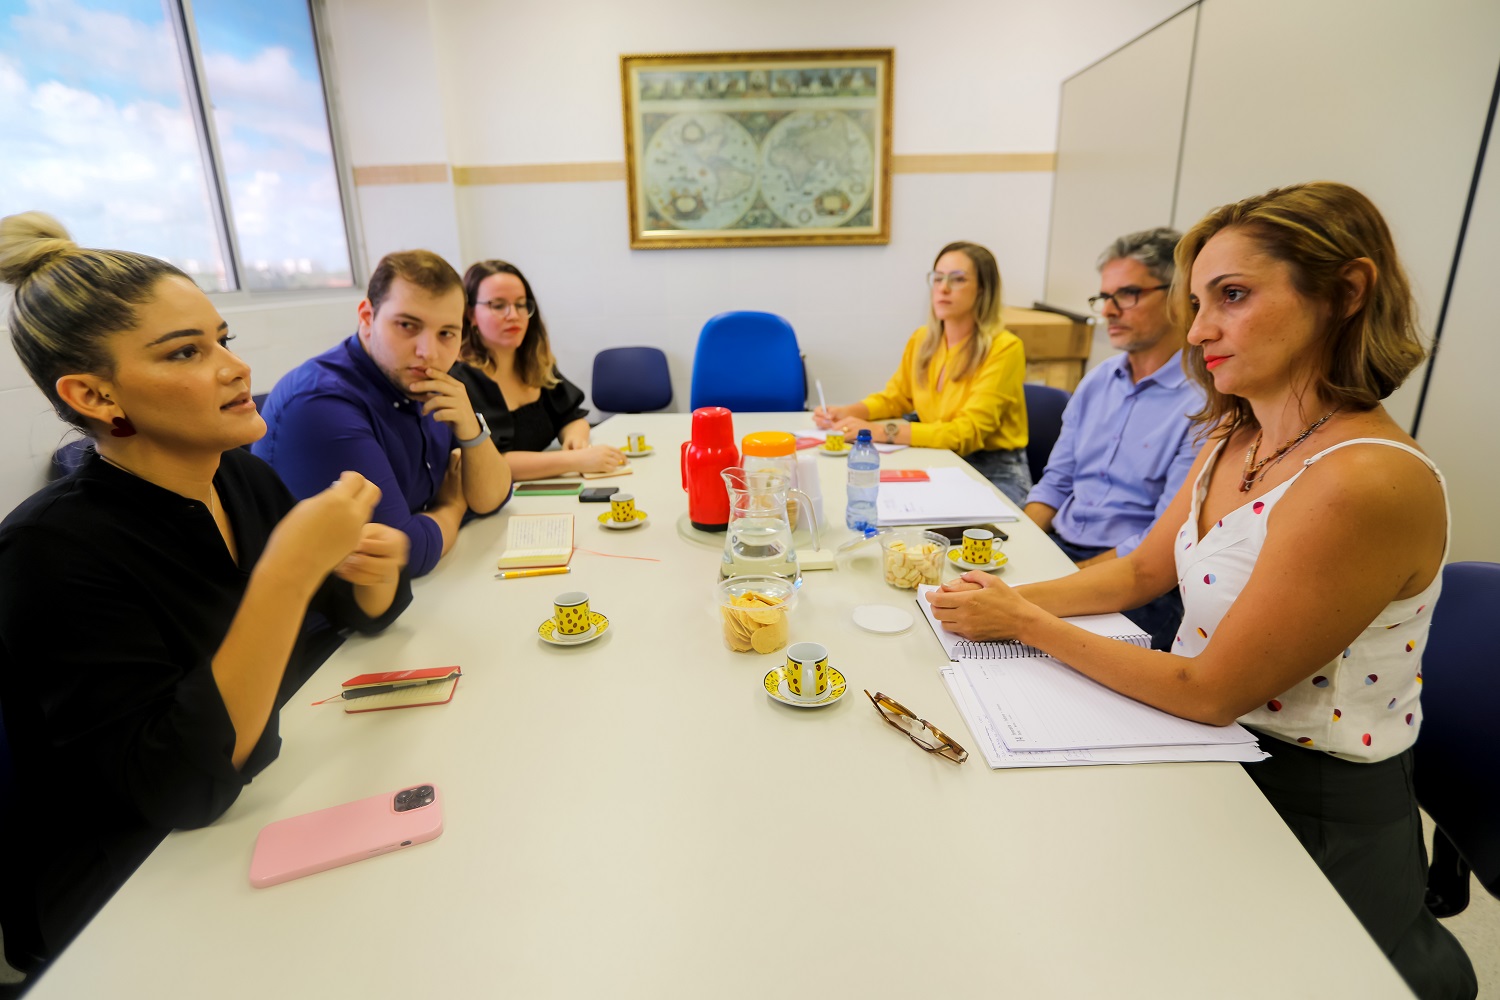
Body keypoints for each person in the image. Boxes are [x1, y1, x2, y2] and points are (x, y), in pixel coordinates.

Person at [927, 183, 1476, 999]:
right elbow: (1144, 572)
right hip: (1205, 748)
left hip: (1306, 802)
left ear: (1345, 294)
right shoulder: (1237, 432)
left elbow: (1214, 689)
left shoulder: (1365, 480)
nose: (1203, 328)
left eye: (1234, 296)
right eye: (1196, 301)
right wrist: (996, 597)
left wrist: (1025, 624)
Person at [0, 213, 413, 983]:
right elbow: (179, 786)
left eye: (222, 338)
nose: (233, 366)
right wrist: (286, 573)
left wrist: (375, 573)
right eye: (187, 352)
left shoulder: (239, 476)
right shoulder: (47, 551)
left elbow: (353, 612)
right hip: (133, 896)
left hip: (263, 808)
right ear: (93, 393)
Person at [254, 250, 512, 577]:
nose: (428, 352)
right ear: (366, 317)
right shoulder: (321, 403)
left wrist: (472, 432)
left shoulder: (429, 380)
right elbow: (403, 553)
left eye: (447, 333)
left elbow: (493, 496)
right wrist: (453, 505)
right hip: (324, 621)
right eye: (407, 325)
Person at [1024, 228, 1204, 649]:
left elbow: (1157, 545)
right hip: (1058, 549)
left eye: (1127, 295)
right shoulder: (1098, 380)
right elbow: (1055, 482)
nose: (1108, 310)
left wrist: (1062, 581)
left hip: (1135, 578)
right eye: (1104, 297)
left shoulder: (1204, 403)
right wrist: (1021, 551)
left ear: (1178, 295)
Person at [813, 241, 1031, 505]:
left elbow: (965, 433)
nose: (943, 288)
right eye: (938, 278)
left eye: (958, 279)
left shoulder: (1004, 348)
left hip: (995, 470)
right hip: (937, 456)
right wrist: (850, 412)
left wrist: (883, 431)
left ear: (983, 289)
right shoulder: (923, 339)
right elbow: (897, 398)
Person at [450, 259, 625, 479]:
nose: (513, 315)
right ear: (471, 314)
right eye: (498, 305)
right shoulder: (459, 381)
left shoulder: (536, 363)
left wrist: (575, 439)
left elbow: (571, 417)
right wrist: (574, 460)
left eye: (521, 304)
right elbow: (490, 461)